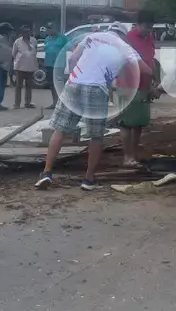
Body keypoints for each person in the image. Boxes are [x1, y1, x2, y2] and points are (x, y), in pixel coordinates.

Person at [34, 27, 148, 191]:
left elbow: (73, 59)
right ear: (122, 36)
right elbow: (145, 69)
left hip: (73, 85)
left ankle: (46, 173)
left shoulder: (92, 38)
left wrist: (76, 76)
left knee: (59, 130)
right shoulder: (125, 47)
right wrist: (154, 82)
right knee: (96, 136)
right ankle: (88, 180)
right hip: (96, 89)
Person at [119, 11, 158, 168]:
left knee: (139, 123)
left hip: (144, 85)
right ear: (138, 25)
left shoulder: (150, 38)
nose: (148, 31)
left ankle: (134, 155)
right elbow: (120, 63)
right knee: (126, 123)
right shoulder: (127, 39)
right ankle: (127, 157)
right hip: (129, 85)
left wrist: (156, 80)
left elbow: (152, 60)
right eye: (146, 27)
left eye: (151, 28)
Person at [11, 25, 38, 110]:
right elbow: (13, 54)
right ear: (21, 33)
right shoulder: (17, 42)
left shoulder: (34, 41)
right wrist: (15, 64)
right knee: (18, 86)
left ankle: (28, 103)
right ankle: (17, 104)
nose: (26, 33)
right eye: (24, 31)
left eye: (28, 31)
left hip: (31, 67)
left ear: (30, 32)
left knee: (29, 86)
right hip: (20, 67)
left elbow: (35, 51)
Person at [43, 27, 69, 109]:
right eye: (48, 29)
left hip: (59, 65)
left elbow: (69, 49)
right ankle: (55, 102)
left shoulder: (63, 38)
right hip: (49, 64)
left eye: (51, 28)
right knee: (52, 84)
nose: (50, 30)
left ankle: (63, 103)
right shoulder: (47, 39)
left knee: (61, 84)